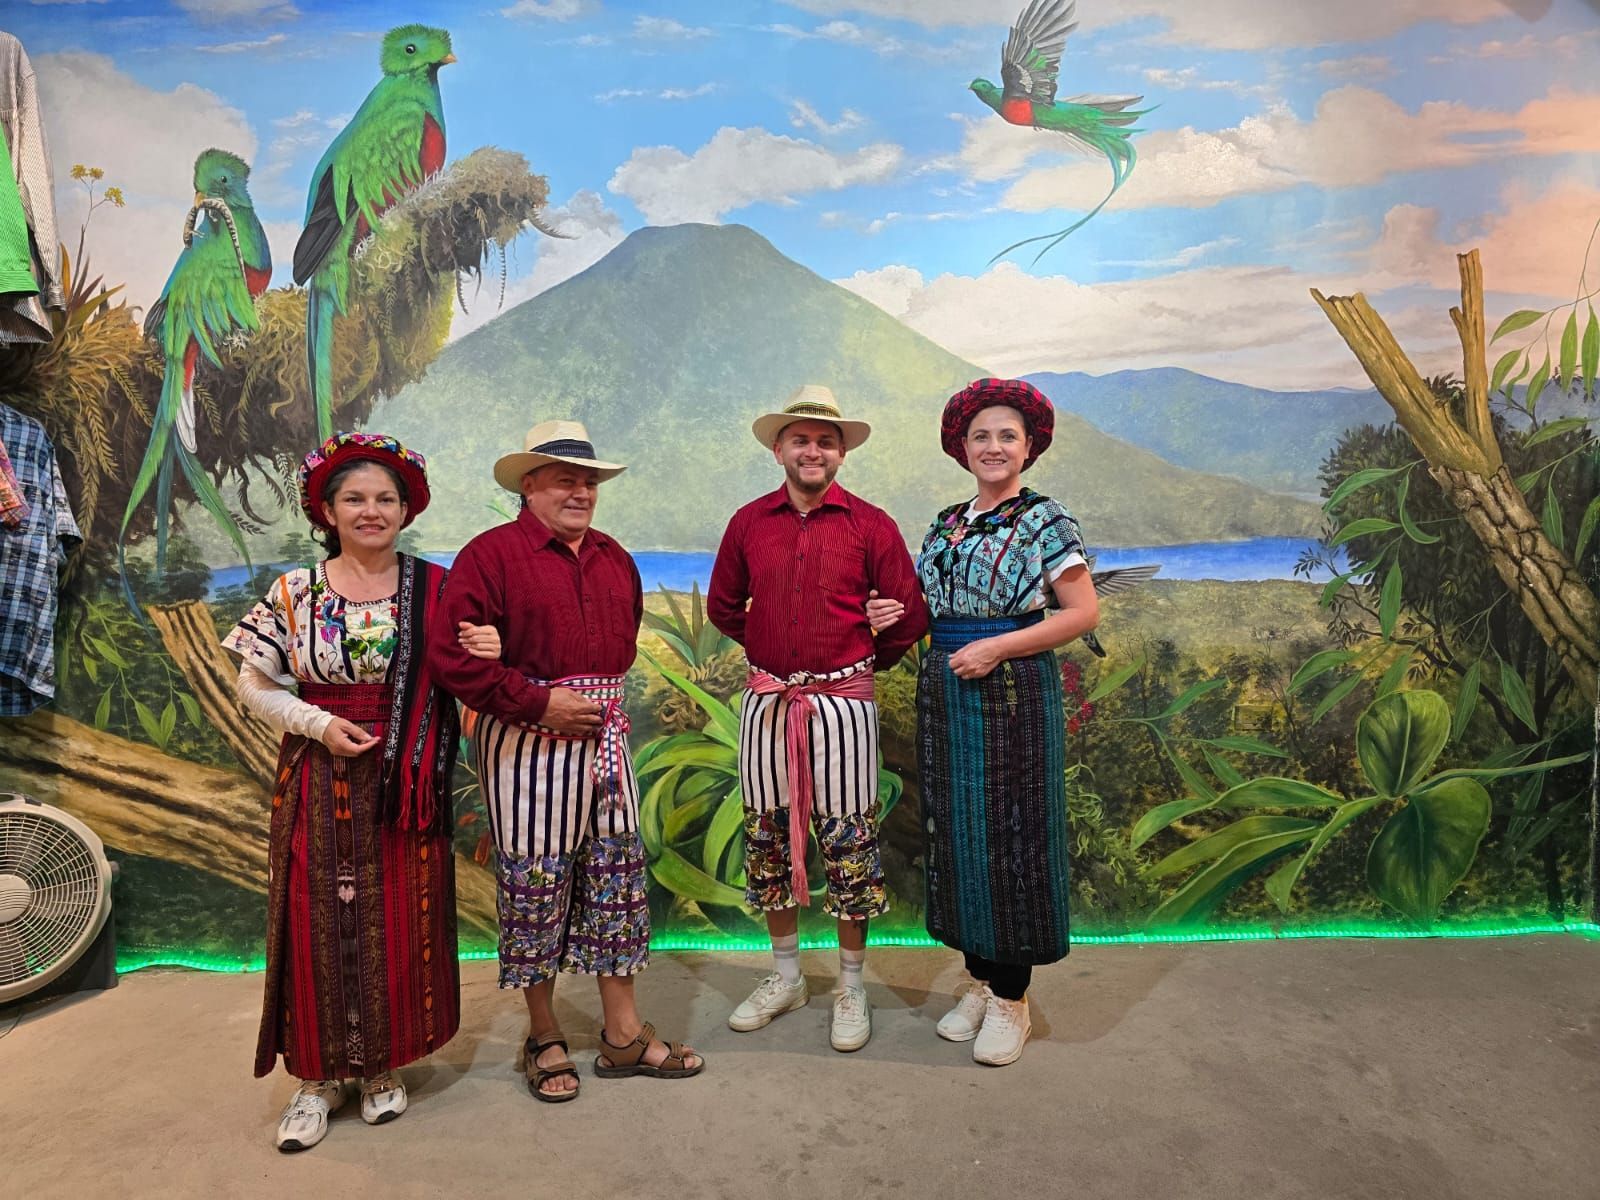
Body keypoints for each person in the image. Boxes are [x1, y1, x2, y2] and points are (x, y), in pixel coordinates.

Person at [223, 431, 502, 1151]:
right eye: (355, 498)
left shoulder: (439, 590)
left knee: (402, 920)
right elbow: (252, 682)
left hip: (408, 780)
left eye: (385, 498)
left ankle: (381, 1067)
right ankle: (316, 1080)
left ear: (406, 509)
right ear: (328, 510)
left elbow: (471, 673)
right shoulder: (296, 591)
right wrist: (317, 724)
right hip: (320, 778)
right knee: (314, 923)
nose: (371, 510)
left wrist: (489, 650)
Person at [427, 419, 704, 1103]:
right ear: (530, 486)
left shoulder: (614, 557)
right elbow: (453, 658)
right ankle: (544, 1033)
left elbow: (623, 643)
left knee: (615, 880)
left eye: (588, 481)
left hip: (607, 742)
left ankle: (622, 1035)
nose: (579, 492)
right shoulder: (489, 557)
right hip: (527, 744)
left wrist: (577, 697)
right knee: (537, 884)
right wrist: (535, 700)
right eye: (563, 480)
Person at [869, 378, 1099, 1066]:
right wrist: (893, 616)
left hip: (1012, 694)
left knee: (1011, 836)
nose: (994, 446)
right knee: (958, 831)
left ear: (1029, 446)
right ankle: (980, 978)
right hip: (946, 688)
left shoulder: (1045, 520)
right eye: (981, 435)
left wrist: (998, 646)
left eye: (1007, 435)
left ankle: (1012, 999)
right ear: (961, 447)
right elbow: (925, 612)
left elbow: (1082, 613)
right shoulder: (946, 522)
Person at [707, 385, 929, 1051]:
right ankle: (785, 976)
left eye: (825, 440)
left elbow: (908, 614)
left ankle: (851, 985)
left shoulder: (871, 525)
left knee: (849, 839)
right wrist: (774, 642)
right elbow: (724, 606)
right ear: (779, 449)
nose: (813, 450)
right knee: (768, 834)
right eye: (800, 439)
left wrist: (866, 649)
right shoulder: (750, 522)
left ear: (841, 453)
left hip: (844, 706)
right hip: (769, 702)